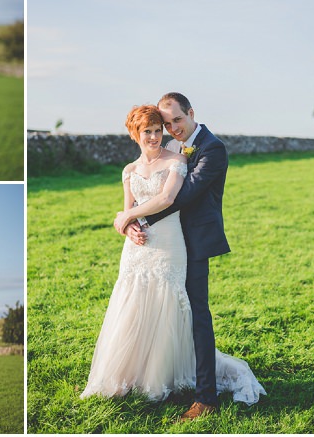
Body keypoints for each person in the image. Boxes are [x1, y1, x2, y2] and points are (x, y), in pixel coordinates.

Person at [80, 103, 266, 419]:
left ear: (191, 113)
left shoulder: (210, 149)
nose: (167, 130)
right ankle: (129, 375)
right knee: (136, 305)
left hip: (184, 242)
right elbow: (135, 198)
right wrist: (127, 226)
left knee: (192, 315)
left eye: (174, 121)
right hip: (142, 245)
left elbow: (177, 198)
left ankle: (205, 396)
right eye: (164, 125)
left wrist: (129, 217)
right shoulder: (158, 151)